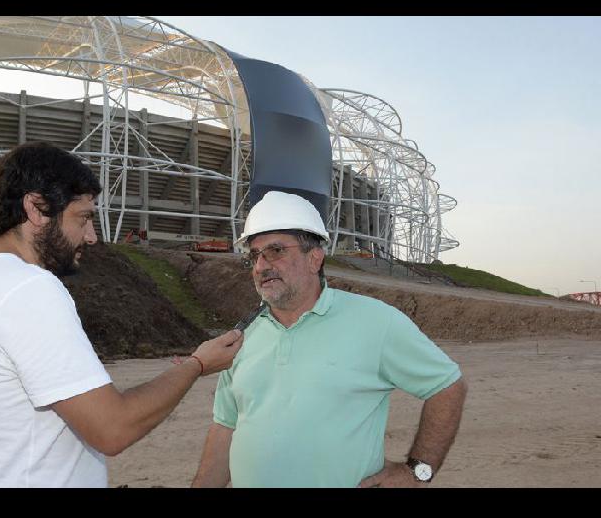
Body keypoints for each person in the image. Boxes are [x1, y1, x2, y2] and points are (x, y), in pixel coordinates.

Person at [0, 142, 243, 488]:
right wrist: (197, 364)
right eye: (83, 218)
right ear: (36, 208)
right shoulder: (28, 289)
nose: (92, 237)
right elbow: (113, 428)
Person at [192, 191, 467, 488]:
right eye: (254, 255)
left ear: (315, 258)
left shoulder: (376, 321)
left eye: (275, 251)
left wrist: (417, 471)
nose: (261, 266)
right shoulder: (242, 336)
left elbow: (447, 386)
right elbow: (225, 427)